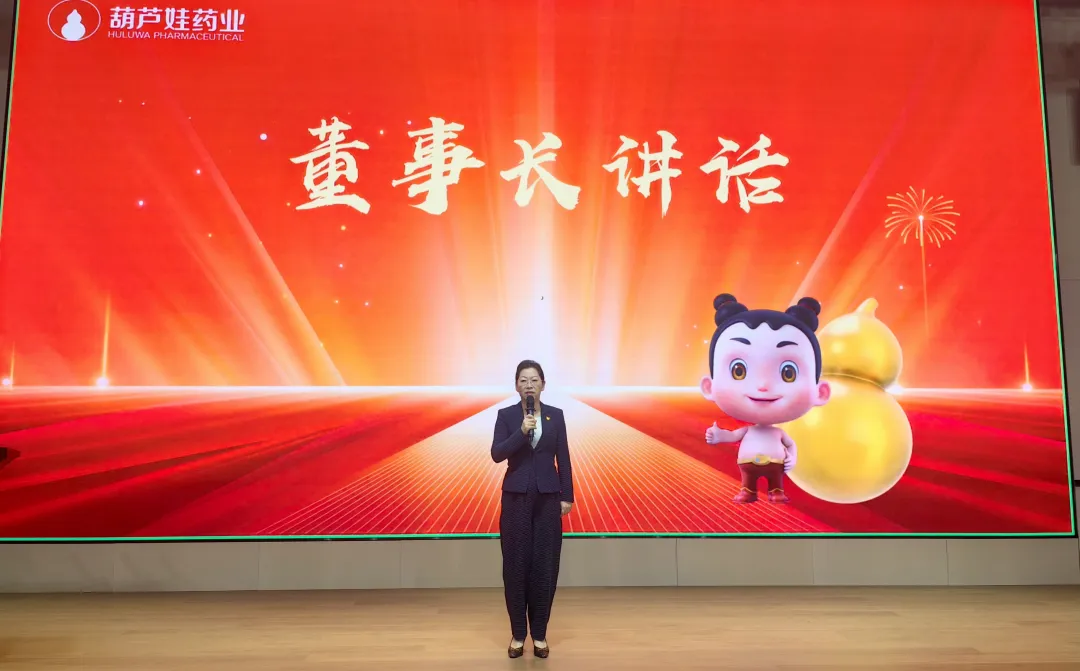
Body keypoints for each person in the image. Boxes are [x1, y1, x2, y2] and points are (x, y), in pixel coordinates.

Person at [700, 293, 831, 503]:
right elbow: (733, 436)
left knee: (775, 481)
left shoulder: (778, 434)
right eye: (739, 371)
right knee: (748, 481)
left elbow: (791, 446)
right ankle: (748, 491)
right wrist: (719, 436)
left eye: (788, 373)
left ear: (820, 392)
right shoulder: (751, 431)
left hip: (775, 465)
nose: (762, 386)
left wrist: (793, 458)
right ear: (709, 386)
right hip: (748, 465)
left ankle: (776, 491)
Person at [490, 359, 574, 659]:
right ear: (516, 386)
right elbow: (497, 453)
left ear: (543, 384)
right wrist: (521, 432)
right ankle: (517, 635)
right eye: (524, 380)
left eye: (534, 380)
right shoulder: (506, 416)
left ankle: (539, 634)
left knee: (545, 566)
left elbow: (563, 458)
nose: (529, 385)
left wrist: (567, 496)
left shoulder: (556, 416)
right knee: (515, 566)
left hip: (548, 499)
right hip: (516, 499)